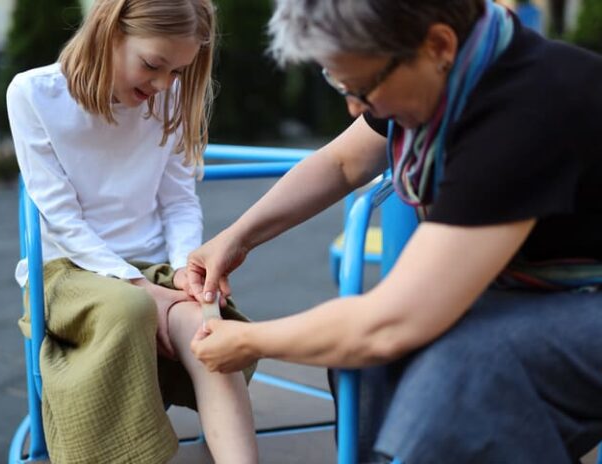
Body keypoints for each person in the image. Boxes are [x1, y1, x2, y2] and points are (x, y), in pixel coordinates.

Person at [188, 0, 602, 462]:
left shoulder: (522, 111)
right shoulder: (447, 69)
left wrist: (249, 341)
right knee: (362, 358)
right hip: (540, 286)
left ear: (439, 45)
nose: (354, 107)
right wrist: (235, 238)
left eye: (361, 88)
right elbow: (342, 162)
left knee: (472, 366)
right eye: (340, 84)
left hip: (584, 297)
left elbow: (390, 324)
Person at [6, 1, 258, 463]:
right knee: (129, 308)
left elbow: (179, 201)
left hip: (152, 266)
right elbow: (62, 219)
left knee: (207, 322)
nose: (163, 84)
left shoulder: (170, 97)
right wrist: (139, 286)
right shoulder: (34, 93)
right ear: (110, 32)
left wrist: (184, 270)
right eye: (153, 65)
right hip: (70, 268)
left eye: (178, 71)